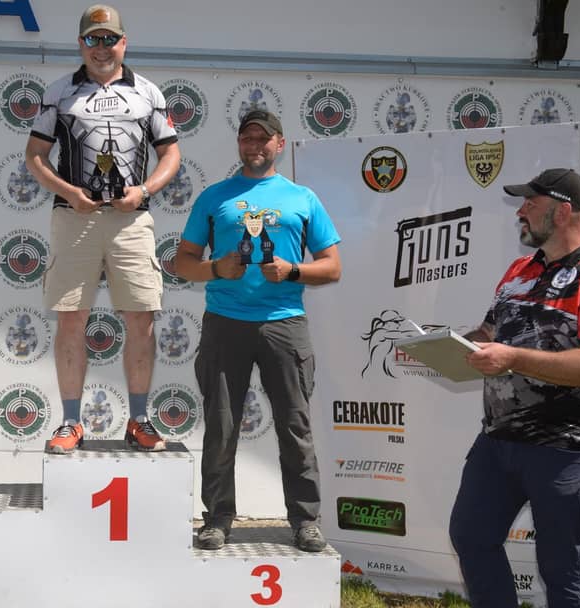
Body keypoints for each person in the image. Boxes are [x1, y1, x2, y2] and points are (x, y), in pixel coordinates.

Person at [449, 168, 580, 608]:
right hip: (499, 439)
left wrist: (513, 358)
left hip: (567, 446)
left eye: (531, 203)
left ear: (563, 211)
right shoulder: (520, 269)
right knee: (472, 536)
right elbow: (490, 332)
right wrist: (450, 344)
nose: (521, 211)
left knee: (563, 566)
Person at [174, 109, 342, 552]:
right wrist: (216, 268)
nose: (255, 146)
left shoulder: (302, 198)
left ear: (279, 145)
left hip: (285, 322)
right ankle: (217, 518)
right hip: (225, 323)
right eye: (247, 138)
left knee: (295, 426)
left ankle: (305, 520)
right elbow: (182, 262)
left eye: (263, 139)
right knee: (221, 426)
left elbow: (332, 267)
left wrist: (292, 271)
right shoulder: (214, 197)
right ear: (239, 144)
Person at [25, 4, 181, 454]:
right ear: (81, 44)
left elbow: (171, 154)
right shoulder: (59, 91)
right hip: (74, 216)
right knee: (71, 318)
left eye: (109, 39)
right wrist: (69, 192)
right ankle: (70, 423)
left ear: (123, 43)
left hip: (130, 218)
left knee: (141, 318)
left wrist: (144, 190)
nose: (102, 47)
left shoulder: (148, 92)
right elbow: (35, 156)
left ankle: (139, 419)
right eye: (93, 39)